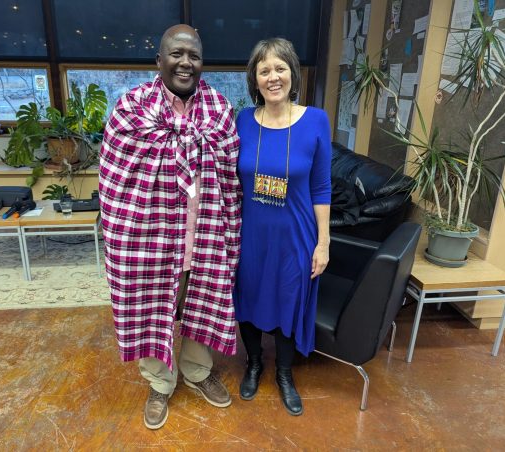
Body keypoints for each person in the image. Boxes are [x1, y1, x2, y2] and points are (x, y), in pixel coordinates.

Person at [98, 24, 242, 430]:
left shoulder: (218, 109)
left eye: (193, 56)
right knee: (148, 305)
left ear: (202, 63)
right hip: (148, 238)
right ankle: (160, 383)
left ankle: (197, 372)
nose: (185, 62)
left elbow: (232, 178)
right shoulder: (131, 109)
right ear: (158, 61)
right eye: (176, 54)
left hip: (206, 234)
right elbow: (114, 180)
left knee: (203, 301)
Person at [234, 38, 331, 416]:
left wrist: (323, 243)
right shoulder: (242, 120)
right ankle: (254, 363)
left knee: (290, 298)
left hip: (296, 235)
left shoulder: (315, 121)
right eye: (264, 70)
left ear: (293, 73)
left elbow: (321, 188)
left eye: (280, 68)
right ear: (254, 79)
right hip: (251, 233)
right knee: (248, 298)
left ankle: (285, 373)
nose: (273, 77)